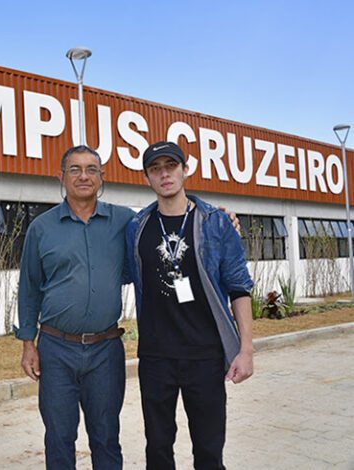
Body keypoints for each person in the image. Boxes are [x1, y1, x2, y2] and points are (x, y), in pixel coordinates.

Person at [125, 141, 254, 469]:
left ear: (185, 169)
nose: (164, 174)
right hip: (156, 357)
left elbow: (239, 287)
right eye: (155, 169)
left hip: (205, 355)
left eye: (171, 166)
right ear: (146, 178)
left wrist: (246, 350)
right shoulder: (136, 227)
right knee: (158, 448)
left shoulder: (216, 222)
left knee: (209, 451)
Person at [16, 145, 134, 469]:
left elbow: (165, 222)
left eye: (91, 169)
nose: (84, 176)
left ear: (102, 177)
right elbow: (29, 288)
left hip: (106, 351)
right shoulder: (42, 228)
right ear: (61, 177)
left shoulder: (125, 221)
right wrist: (28, 344)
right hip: (56, 351)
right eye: (75, 169)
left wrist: (212, 214)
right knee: (59, 437)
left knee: (106, 437)